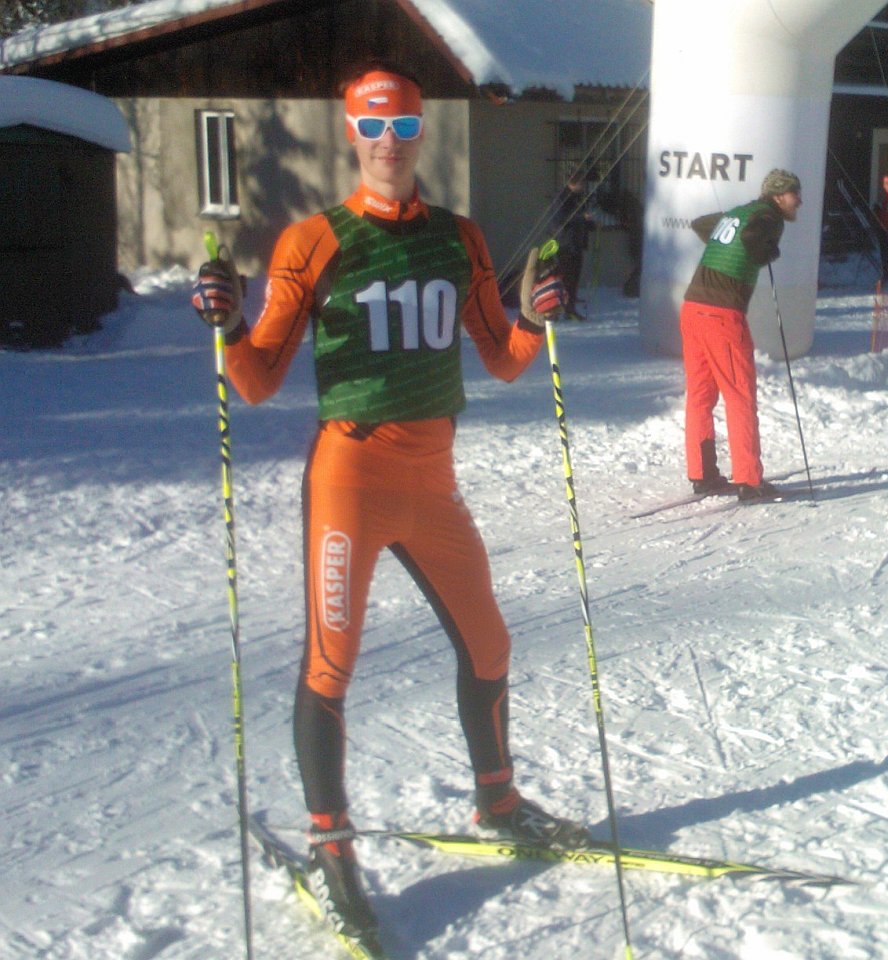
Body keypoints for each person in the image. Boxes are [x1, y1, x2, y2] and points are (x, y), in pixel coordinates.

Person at [190, 61, 586, 947]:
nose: (388, 144)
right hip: (352, 477)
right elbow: (255, 379)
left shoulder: (459, 237)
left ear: (419, 134)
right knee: (331, 664)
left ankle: (499, 802)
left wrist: (534, 315)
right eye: (372, 128)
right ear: (351, 134)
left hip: (432, 482)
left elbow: (502, 358)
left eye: (403, 127)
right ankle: (333, 849)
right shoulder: (313, 241)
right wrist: (226, 323)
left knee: (489, 643)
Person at [681, 167, 802, 501]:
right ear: (778, 195)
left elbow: (700, 224)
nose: (799, 201)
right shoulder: (769, 217)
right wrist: (766, 251)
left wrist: (729, 243)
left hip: (692, 308)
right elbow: (752, 238)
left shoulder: (738, 212)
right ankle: (749, 481)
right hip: (721, 315)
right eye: (794, 194)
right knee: (740, 395)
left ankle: (702, 473)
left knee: (700, 395)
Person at [548, 172, 594, 318]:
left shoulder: (577, 198)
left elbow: (579, 218)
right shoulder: (562, 197)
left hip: (576, 243)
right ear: (574, 183)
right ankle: (556, 309)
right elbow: (561, 219)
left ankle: (570, 308)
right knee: (564, 278)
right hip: (565, 243)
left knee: (574, 279)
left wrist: (589, 222)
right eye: (581, 183)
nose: (583, 186)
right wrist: (581, 217)